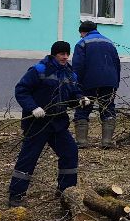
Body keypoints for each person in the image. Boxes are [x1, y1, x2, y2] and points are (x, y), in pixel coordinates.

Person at [11, 40, 81, 202]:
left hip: (58, 124)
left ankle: (66, 192)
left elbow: (73, 94)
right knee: (28, 158)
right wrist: (33, 107)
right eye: (62, 54)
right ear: (54, 54)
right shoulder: (38, 70)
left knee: (70, 153)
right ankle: (16, 195)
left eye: (67, 54)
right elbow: (21, 90)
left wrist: (80, 99)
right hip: (37, 124)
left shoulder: (70, 74)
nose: (65, 57)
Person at [74, 20, 122, 148]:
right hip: (109, 81)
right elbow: (117, 64)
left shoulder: (82, 43)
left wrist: (76, 84)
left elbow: (78, 66)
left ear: (83, 32)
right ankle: (106, 142)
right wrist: (115, 82)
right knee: (108, 108)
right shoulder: (109, 42)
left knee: (83, 107)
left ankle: (82, 142)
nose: (80, 36)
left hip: (89, 81)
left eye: (80, 33)